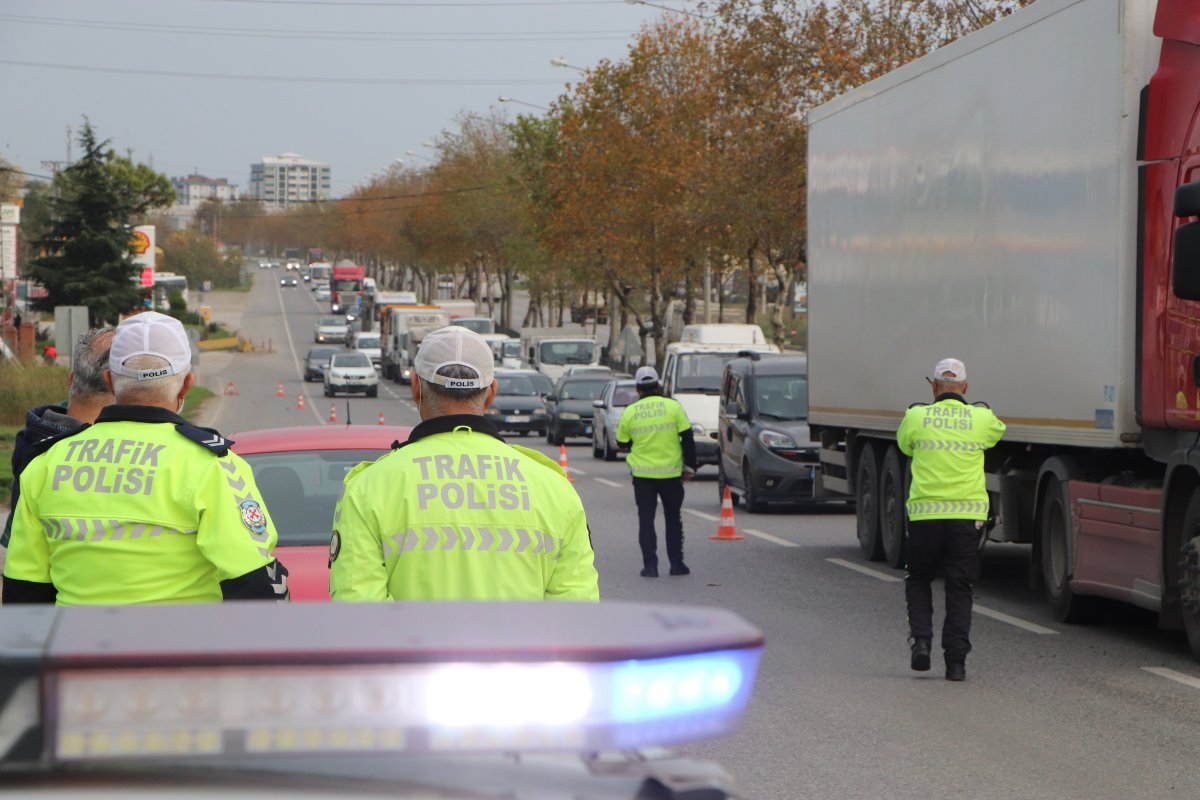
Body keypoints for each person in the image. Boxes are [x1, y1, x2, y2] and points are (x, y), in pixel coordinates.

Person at [3, 311, 289, 605]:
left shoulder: (45, 464)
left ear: (110, 382)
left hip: (75, 648)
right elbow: (258, 587)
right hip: (175, 649)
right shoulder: (212, 467)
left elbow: (24, 595)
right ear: (187, 385)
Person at [329, 325, 599, 601]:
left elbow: (359, 617)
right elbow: (577, 618)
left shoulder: (368, 489)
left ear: (416, 388)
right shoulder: (554, 489)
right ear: (492, 392)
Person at [897, 358, 1006, 681]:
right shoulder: (981, 418)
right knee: (960, 586)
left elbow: (905, 446)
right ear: (966, 388)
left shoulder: (916, 416)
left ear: (932, 387)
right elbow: (998, 434)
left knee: (918, 579)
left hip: (924, 516)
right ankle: (956, 663)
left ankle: (921, 644)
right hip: (966, 518)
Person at [3, 328, 116, 551]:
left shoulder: (34, 441)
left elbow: (18, 547)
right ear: (116, 385)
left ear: (71, 379)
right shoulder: (128, 449)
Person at [616, 366, 697, 578]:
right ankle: (677, 564)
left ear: (637, 388)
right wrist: (690, 466)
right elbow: (688, 438)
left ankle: (650, 567)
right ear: (658, 385)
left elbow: (622, 443)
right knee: (673, 519)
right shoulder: (673, 407)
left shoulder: (630, 412)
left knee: (646, 520)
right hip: (671, 475)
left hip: (643, 477)